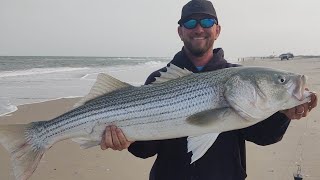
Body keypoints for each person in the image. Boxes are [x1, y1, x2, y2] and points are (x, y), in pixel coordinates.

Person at [100, 0, 318, 179]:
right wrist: (127, 140)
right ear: (180, 31)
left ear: (217, 29)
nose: (199, 28)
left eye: (206, 21)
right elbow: (146, 150)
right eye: (190, 22)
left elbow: (263, 136)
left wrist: (283, 114)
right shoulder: (159, 79)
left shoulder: (237, 77)